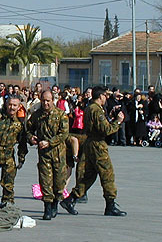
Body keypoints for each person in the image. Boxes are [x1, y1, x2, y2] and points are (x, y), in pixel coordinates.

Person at [61, 86, 127, 217]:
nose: (106, 98)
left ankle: (71, 199)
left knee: (89, 175)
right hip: (97, 145)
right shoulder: (96, 109)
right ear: (101, 96)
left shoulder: (90, 108)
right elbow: (105, 129)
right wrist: (118, 122)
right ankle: (110, 204)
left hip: (90, 142)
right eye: (105, 96)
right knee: (107, 174)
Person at [26, 90, 69, 220]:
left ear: (53, 101)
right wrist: (31, 138)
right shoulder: (36, 115)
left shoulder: (61, 115)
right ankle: (47, 207)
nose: (46, 103)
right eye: (43, 100)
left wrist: (50, 142)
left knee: (59, 182)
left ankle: (56, 202)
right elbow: (28, 129)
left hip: (58, 154)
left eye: (48, 101)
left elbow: (64, 134)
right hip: (44, 155)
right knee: (45, 181)